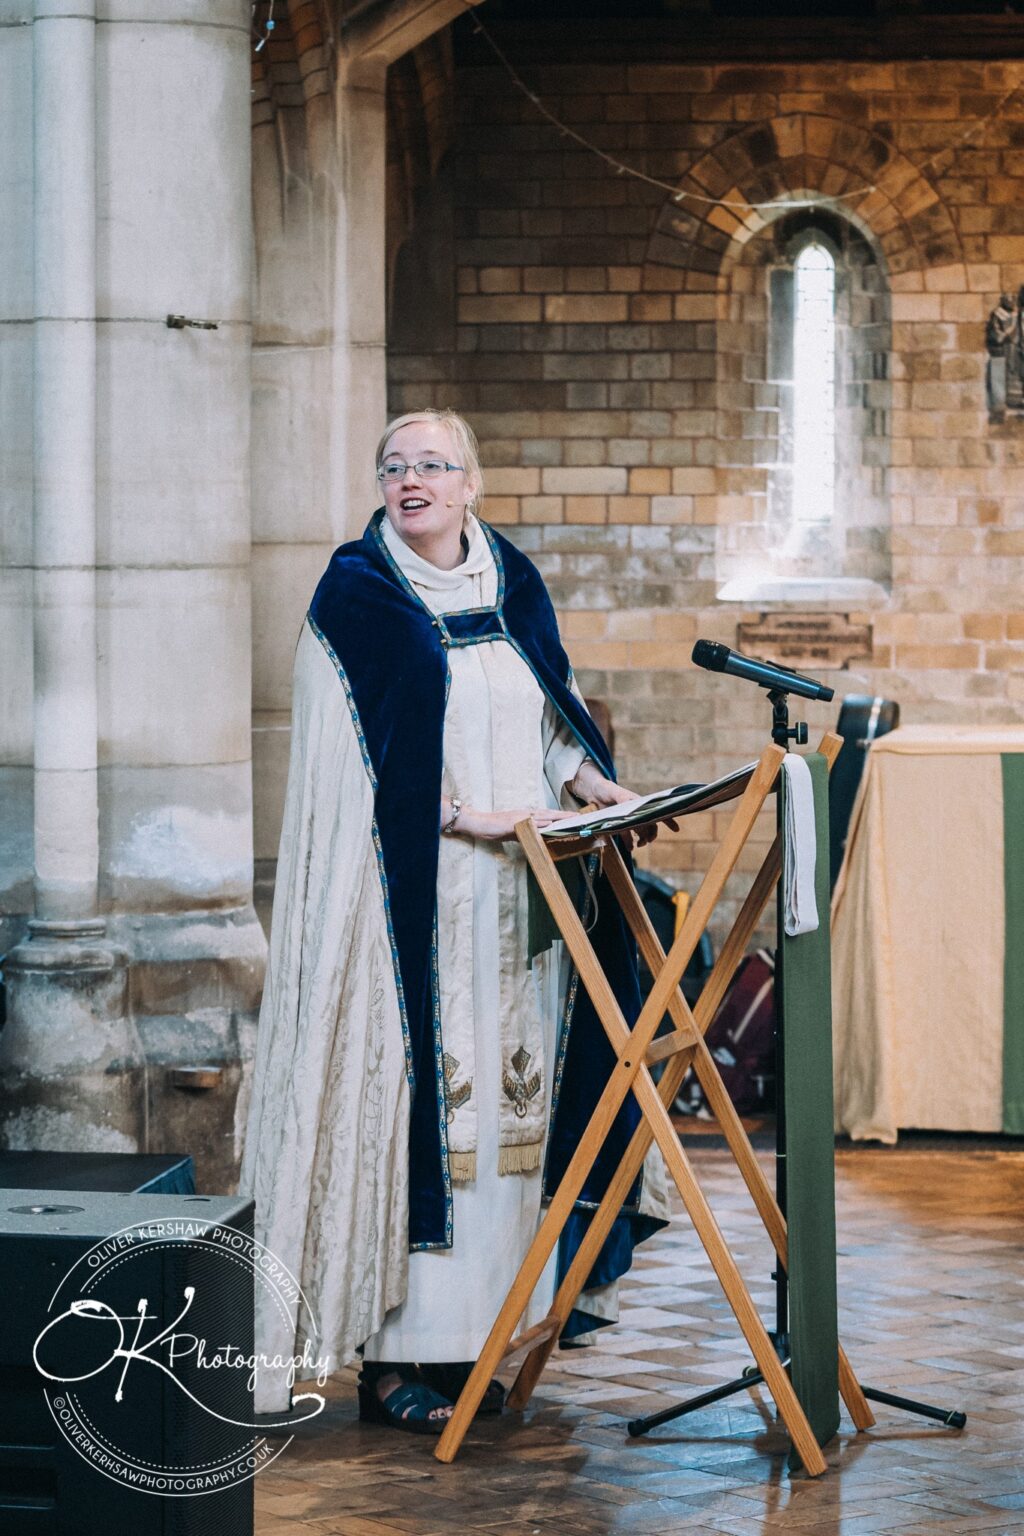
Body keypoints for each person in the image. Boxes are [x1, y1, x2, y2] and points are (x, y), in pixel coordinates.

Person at [238, 409, 668, 1433]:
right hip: (411, 910)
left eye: (432, 464)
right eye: (393, 466)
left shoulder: (508, 578)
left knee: (507, 1130)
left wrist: (589, 780)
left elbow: (543, 715)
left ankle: (484, 1346)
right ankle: (397, 1367)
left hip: (522, 903)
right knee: (428, 1118)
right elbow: (353, 769)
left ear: (470, 482)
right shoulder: (358, 595)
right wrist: (462, 816)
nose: (410, 480)